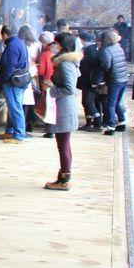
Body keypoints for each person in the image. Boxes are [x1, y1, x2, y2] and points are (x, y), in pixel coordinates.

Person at [44, 32, 82, 190]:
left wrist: (51, 89)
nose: (54, 45)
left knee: (63, 144)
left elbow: (68, 89)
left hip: (64, 107)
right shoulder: (67, 62)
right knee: (64, 144)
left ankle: (64, 180)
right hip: (64, 106)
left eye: (56, 43)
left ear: (62, 45)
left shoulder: (65, 64)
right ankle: (63, 177)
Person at [0, 24, 30, 143]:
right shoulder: (19, 42)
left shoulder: (11, 45)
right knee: (14, 107)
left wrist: (3, 80)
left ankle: (19, 135)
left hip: (12, 81)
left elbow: (9, 66)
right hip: (19, 79)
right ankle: (11, 131)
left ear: (5, 35)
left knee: (15, 108)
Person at [98, 28, 129, 135]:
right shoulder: (119, 48)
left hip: (114, 80)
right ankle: (122, 122)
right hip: (123, 79)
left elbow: (106, 66)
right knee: (117, 102)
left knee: (110, 104)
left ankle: (111, 127)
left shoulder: (107, 50)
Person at [78, 31, 105, 130]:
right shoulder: (96, 49)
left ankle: (98, 122)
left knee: (87, 102)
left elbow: (90, 67)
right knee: (88, 102)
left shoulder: (90, 50)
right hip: (92, 80)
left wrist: (94, 81)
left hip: (90, 80)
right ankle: (89, 122)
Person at [19, 26, 40, 135]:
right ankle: (30, 123)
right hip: (32, 73)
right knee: (31, 101)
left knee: (22, 101)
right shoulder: (36, 45)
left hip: (21, 73)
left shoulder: (19, 44)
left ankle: (22, 124)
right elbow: (38, 60)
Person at [35, 31, 56, 138]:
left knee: (48, 105)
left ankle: (50, 130)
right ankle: (53, 128)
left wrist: (36, 67)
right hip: (56, 80)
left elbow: (41, 71)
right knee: (54, 105)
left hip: (48, 81)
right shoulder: (56, 51)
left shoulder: (45, 54)